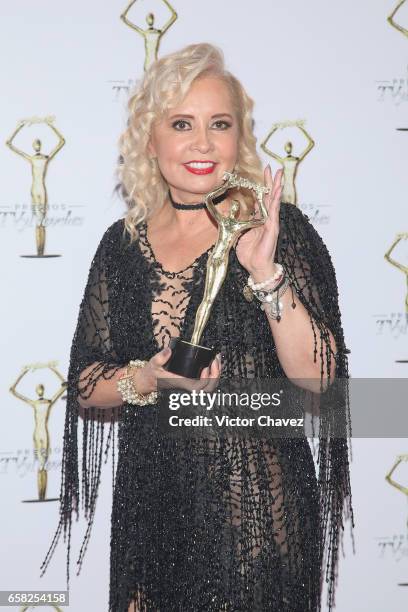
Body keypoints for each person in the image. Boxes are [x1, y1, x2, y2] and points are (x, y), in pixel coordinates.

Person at [41, 43, 353, 612]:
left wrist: (266, 274)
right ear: (150, 139)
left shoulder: (279, 232)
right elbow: (86, 382)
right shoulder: (122, 246)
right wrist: (149, 378)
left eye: (220, 124)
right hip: (151, 514)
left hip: (258, 516)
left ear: (240, 138)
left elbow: (322, 380)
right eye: (182, 124)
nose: (204, 143)